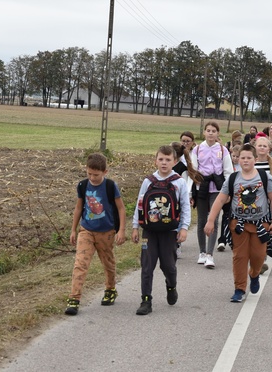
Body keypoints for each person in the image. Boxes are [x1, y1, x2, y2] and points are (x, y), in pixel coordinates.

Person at [205, 144, 272, 303]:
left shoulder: (265, 177)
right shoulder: (233, 178)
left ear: (255, 159)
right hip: (238, 224)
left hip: (261, 224)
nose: (245, 161)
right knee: (240, 256)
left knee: (258, 256)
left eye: (249, 158)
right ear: (238, 159)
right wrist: (211, 220)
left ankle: (254, 274)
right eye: (242, 158)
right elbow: (220, 199)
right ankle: (239, 288)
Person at [131, 145, 191, 315]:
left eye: (168, 160)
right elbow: (140, 204)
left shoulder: (179, 182)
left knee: (168, 266)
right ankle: (146, 300)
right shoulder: (148, 181)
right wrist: (135, 226)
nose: (164, 163)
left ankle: (171, 286)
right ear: (156, 160)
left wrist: (184, 228)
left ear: (175, 161)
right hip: (149, 231)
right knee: (147, 265)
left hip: (169, 231)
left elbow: (185, 207)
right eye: (161, 159)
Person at [64, 153, 126, 315]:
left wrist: (121, 230)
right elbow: (79, 208)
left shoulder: (110, 186)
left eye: (96, 175)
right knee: (80, 263)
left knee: (108, 263)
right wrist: (73, 229)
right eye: (89, 173)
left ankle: (110, 289)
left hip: (106, 232)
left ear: (105, 172)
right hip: (86, 230)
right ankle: (74, 298)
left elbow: (121, 208)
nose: (92, 177)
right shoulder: (83, 185)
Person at [192, 122, 234, 268]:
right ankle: (202, 252)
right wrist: (194, 191)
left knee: (214, 220)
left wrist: (228, 191)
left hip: (217, 188)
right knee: (202, 220)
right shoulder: (197, 150)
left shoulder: (223, 150)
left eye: (213, 131)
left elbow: (228, 171)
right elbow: (194, 171)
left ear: (218, 134)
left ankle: (210, 255)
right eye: (208, 131)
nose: (210, 133)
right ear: (204, 132)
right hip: (202, 188)